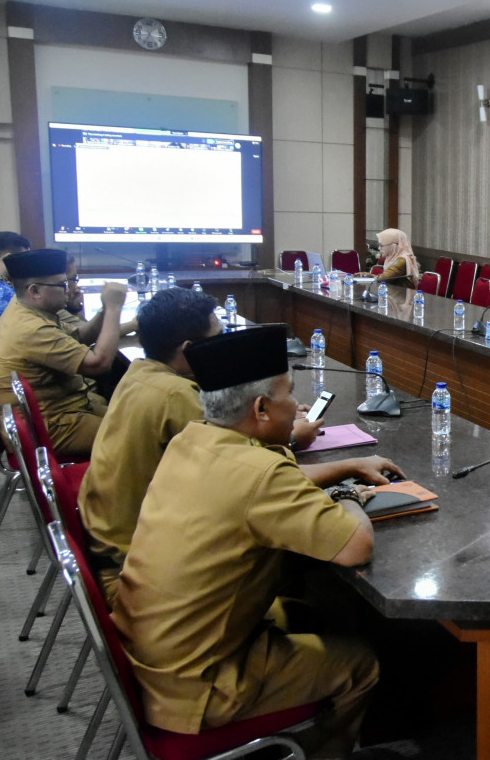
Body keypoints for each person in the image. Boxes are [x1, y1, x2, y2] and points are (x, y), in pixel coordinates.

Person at [113, 325, 391, 758]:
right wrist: (347, 494)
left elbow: (261, 480)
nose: (297, 410)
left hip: (153, 653)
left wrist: (348, 464)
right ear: (261, 409)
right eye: (289, 398)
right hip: (199, 684)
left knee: (311, 613)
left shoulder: (194, 439)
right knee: (361, 664)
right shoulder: (259, 475)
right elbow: (357, 544)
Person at [78, 288, 336, 604]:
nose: (224, 344)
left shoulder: (139, 374)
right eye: (217, 337)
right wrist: (292, 434)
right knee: (289, 550)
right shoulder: (177, 397)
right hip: (137, 570)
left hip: (113, 542)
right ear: (189, 350)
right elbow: (244, 465)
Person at [0, 248, 126, 459]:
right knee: (138, 435)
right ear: (35, 291)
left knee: (130, 415)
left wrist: (104, 309)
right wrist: (114, 309)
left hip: (59, 411)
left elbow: (78, 336)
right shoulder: (31, 329)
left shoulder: (23, 307)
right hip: (50, 425)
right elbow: (98, 364)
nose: (71, 289)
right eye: (63, 284)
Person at [57, 253, 139, 341]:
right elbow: (96, 334)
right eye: (73, 279)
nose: (77, 285)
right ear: (61, 281)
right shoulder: (56, 310)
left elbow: (86, 328)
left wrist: (74, 309)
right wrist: (135, 324)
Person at [0, 231, 30, 333]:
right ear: (8, 259)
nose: (27, 266)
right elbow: (27, 332)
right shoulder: (3, 293)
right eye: (24, 261)